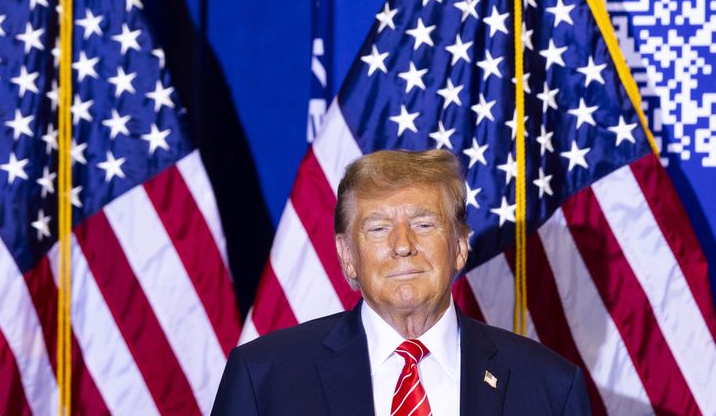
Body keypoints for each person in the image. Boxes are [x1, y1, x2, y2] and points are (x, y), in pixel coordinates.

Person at [211, 149, 591, 415]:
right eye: (378, 229)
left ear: (459, 247)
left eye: (424, 225)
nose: (403, 246)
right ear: (347, 255)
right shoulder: (265, 377)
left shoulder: (549, 385)